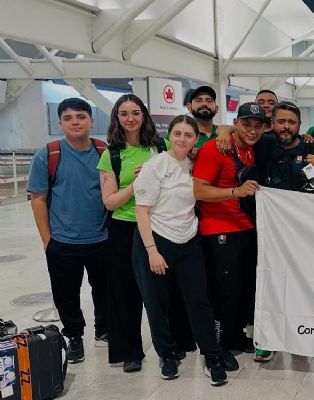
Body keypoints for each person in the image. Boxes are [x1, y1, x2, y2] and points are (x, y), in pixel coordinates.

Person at [132, 115, 228, 385]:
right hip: (157, 240)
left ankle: (211, 356)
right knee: (157, 303)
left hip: (188, 240)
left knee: (199, 301)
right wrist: (152, 251)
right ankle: (168, 355)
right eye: (177, 134)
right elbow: (142, 211)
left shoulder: (195, 164)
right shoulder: (155, 166)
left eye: (188, 135)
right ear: (169, 136)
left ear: (195, 139)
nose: (182, 139)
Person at [193, 102, 276, 369]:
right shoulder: (215, 148)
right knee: (222, 291)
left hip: (246, 228)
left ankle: (234, 335)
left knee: (242, 288)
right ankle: (215, 348)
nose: (252, 130)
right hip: (219, 229)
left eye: (257, 126)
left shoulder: (250, 149)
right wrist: (234, 192)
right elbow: (199, 191)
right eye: (246, 124)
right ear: (236, 123)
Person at [27, 98, 108, 364]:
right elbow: (38, 198)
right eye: (69, 118)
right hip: (63, 240)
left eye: (81, 116)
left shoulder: (102, 150)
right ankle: (74, 336)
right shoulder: (49, 153)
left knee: (105, 290)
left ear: (91, 121)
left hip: (101, 237)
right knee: (66, 293)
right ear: (60, 123)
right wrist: (47, 240)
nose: (75, 122)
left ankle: (104, 330)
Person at [97, 94, 170, 372]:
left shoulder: (160, 147)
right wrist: (136, 183)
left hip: (156, 225)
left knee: (160, 291)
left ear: (144, 116)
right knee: (124, 293)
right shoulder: (111, 155)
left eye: (135, 112)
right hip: (124, 228)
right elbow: (110, 202)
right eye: (124, 113)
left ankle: (167, 347)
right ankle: (130, 352)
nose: (130, 118)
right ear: (117, 117)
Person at [266, 101, 314, 192]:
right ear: (272, 123)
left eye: (292, 122)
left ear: (299, 124)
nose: (286, 126)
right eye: (281, 121)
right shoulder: (264, 147)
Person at [185, 85, 220, 154]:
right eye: (199, 100)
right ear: (189, 107)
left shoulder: (224, 134)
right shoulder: (179, 135)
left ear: (216, 109)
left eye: (209, 101)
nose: (204, 104)